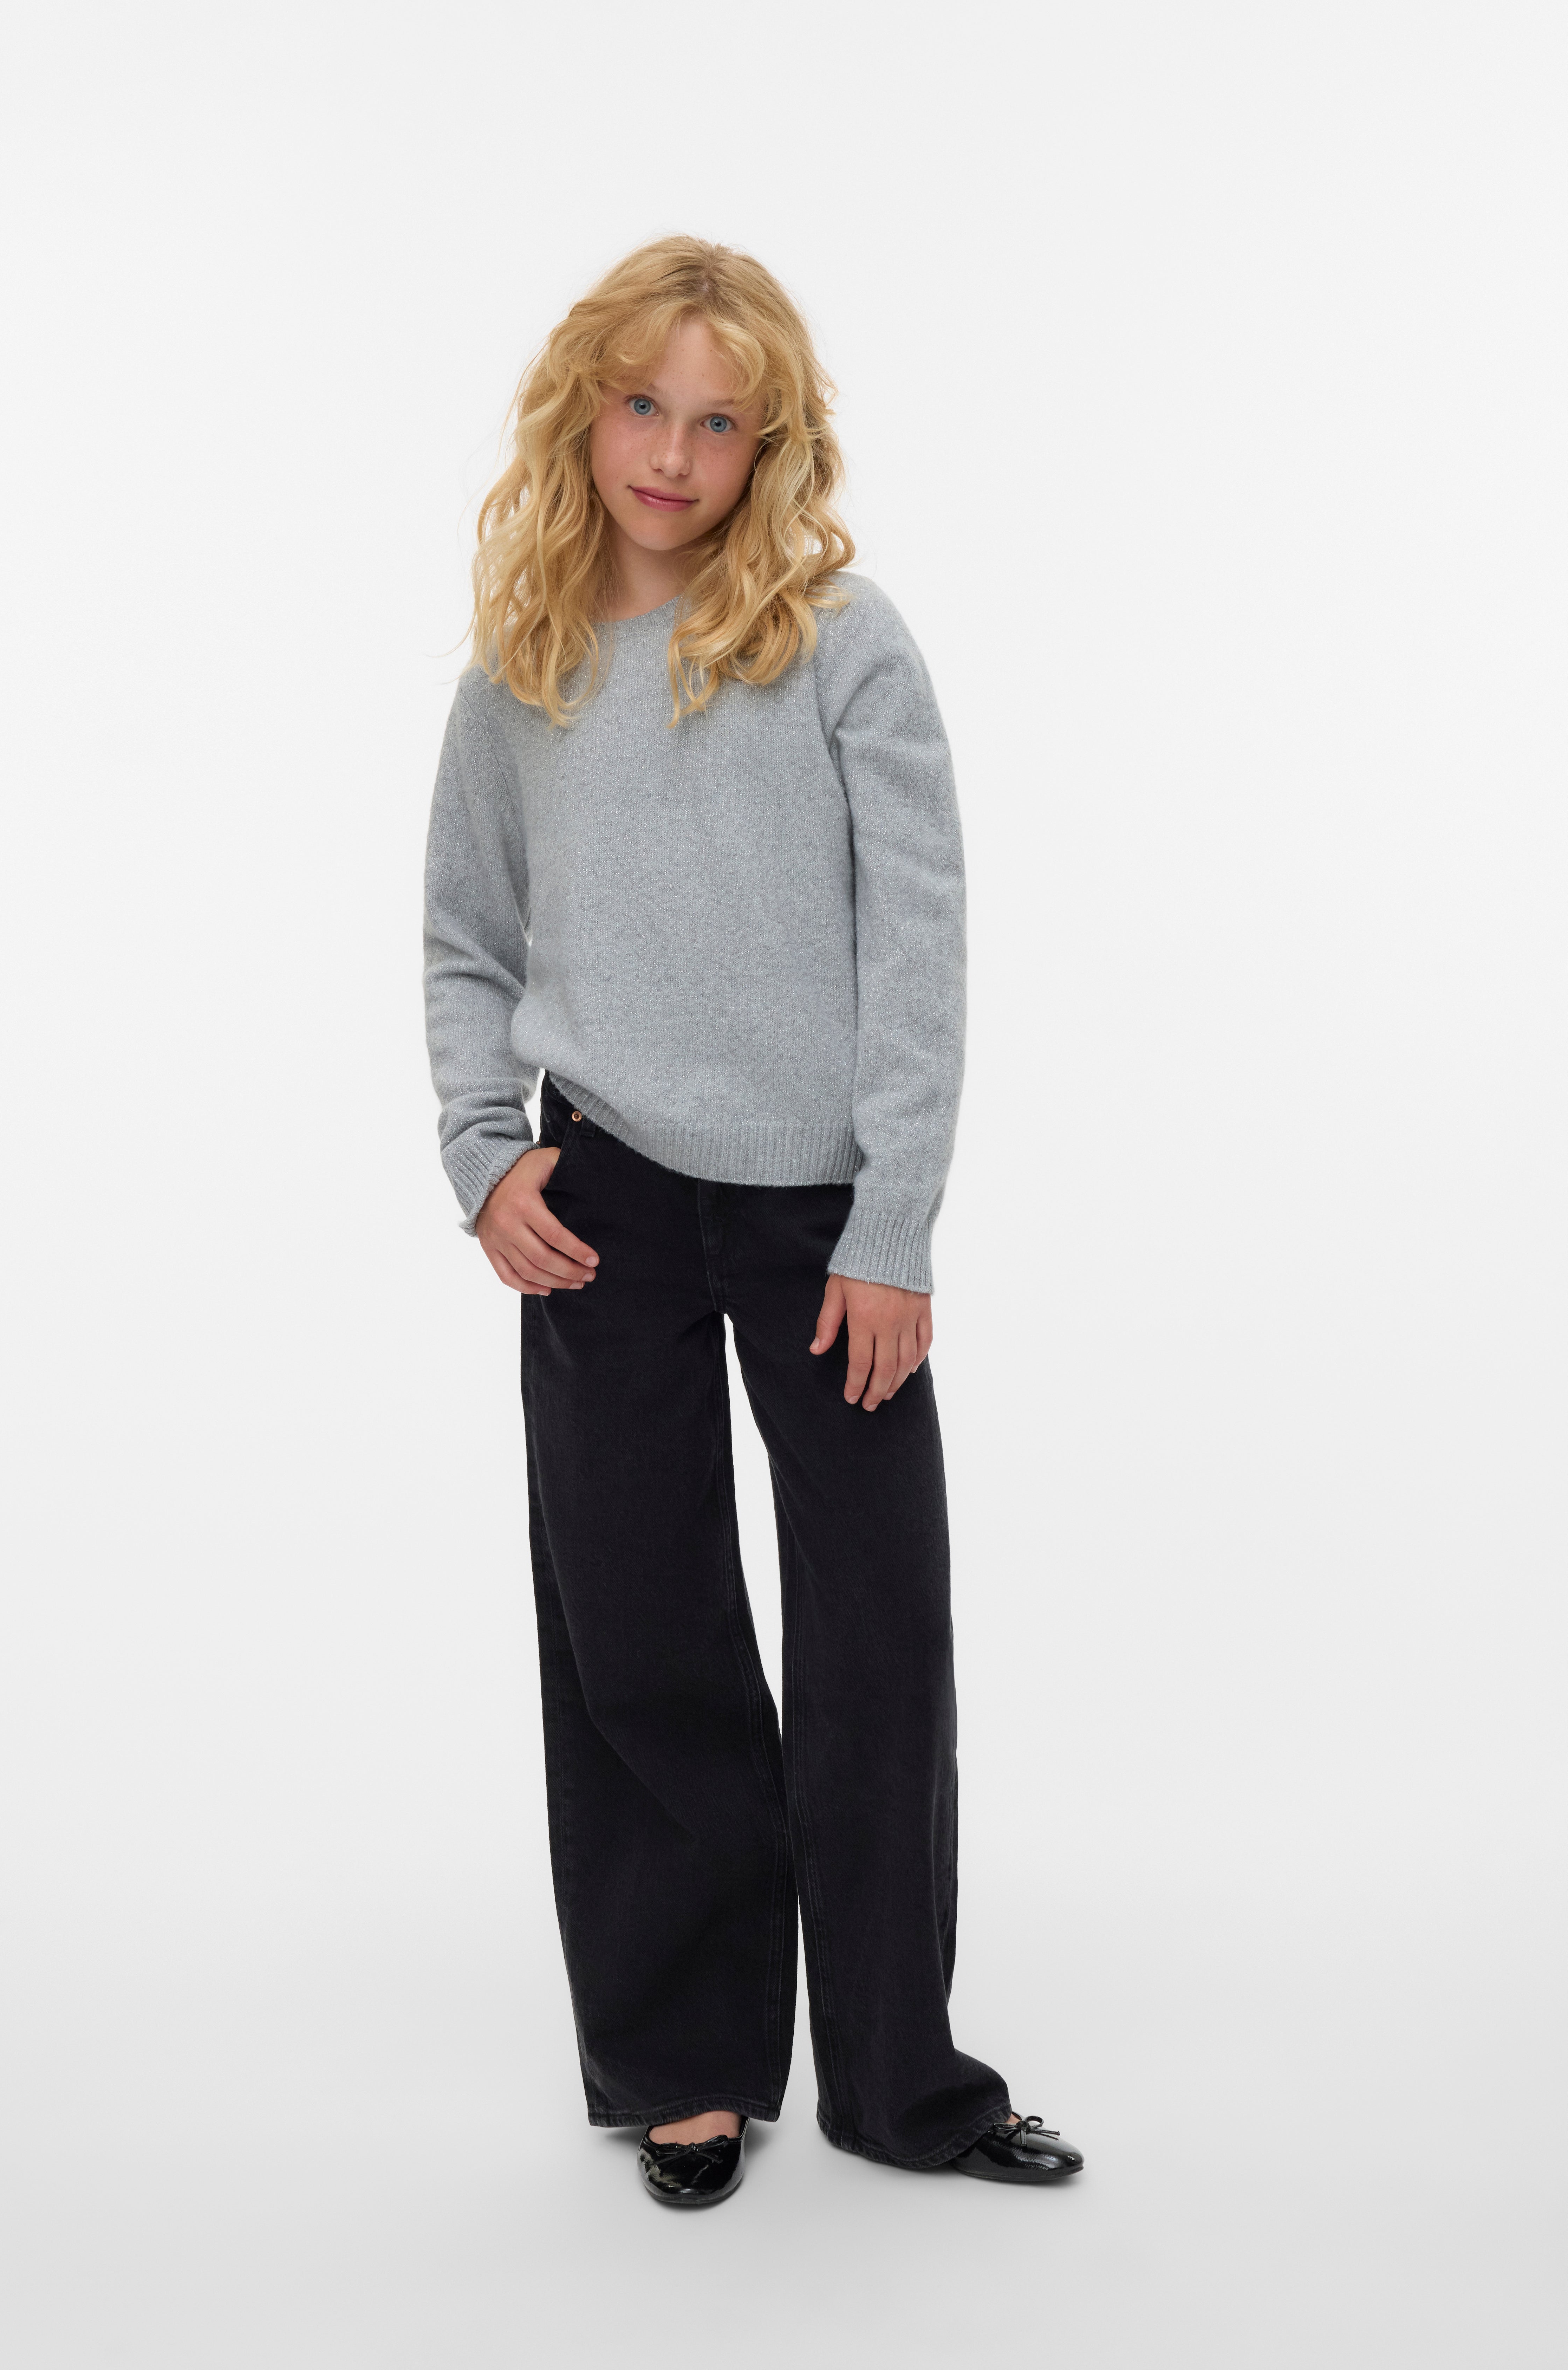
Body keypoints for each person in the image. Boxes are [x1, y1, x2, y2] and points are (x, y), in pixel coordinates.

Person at [422, 236, 1081, 2208]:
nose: (672, 454)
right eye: (643, 406)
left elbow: (919, 949)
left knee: (876, 1637)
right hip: (601, 1198)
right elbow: (464, 938)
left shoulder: (842, 643)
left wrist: (893, 1225)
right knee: (638, 1631)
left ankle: (900, 2079)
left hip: (820, 1220)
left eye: (720, 423)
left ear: (770, 445)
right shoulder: (523, 667)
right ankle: (687, 2066)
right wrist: (482, 1149)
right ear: (583, 408)